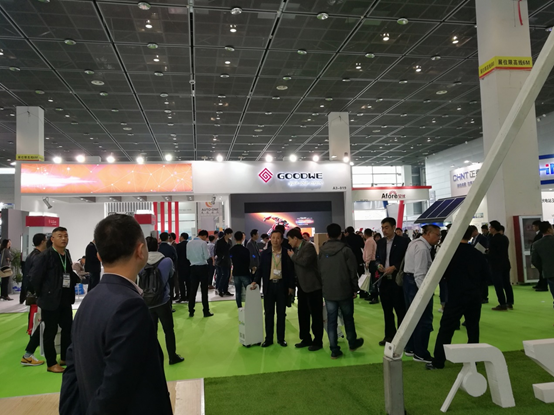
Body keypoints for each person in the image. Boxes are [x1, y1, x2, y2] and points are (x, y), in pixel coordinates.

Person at [59, 214, 172, 415]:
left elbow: (71, 373)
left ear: (99, 256)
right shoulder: (130, 307)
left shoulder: (89, 300)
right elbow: (114, 391)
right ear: (140, 250)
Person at [426, 226, 490, 370]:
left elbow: (440, 275)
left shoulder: (449, 254)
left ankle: (438, 361)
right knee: (473, 329)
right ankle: (473, 360)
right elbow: (486, 276)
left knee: (446, 329)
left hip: (456, 296)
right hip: (474, 296)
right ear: (470, 235)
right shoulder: (477, 254)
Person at [30, 227, 80, 373]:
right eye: (60, 236)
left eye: (66, 236)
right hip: (50, 300)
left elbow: (67, 272)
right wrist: (44, 293)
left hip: (65, 298)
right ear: (52, 239)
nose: (64, 238)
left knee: (67, 329)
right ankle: (51, 363)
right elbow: (35, 278)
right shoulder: (45, 255)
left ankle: (65, 357)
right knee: (50, 332)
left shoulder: (66, 254)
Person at [318, 223, 364, 359]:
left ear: (327, 235)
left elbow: (319, 270)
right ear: (341, 234)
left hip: (329, 291)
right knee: (348, 318)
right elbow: (352, 271)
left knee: (331, 320)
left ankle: (334, 349)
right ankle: (352, 342)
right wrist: (355, 288)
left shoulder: (322, 251)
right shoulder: (346, 250)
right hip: (345, 290)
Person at [403, 224, 441, 363]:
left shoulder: (414, 243)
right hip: (416, 284)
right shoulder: (423, 249)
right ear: (428, 233)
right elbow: (419, 274)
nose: (439, 238)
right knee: (424, 319)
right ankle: (420, 353)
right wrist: (424, 293)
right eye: (437, 235)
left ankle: (410, 347)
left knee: (412, 317)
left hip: (408, 282)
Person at [143, 236, 184, 365]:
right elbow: (171, 275)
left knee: (151, 332)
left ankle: (154, 358)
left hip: (146, 301)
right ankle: (172, 356)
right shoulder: (166, 261)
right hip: (163, 300)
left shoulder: (140, 262)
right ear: (158, 246)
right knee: (168, 330)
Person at [251, 229, 294, 347]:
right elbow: (260, 269)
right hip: (269, 286)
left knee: (281, 313)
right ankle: (268, 338)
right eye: (273, 237)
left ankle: (281, 338)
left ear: (282, 240)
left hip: (282, 286)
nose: (275, 240)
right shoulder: (265, 253)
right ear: (270, 239)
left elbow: (291, 271)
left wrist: (291, 286)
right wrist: (255, 281)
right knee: (269, 313)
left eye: (278, 238)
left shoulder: (286, 253)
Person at [287, 228, 323, 351]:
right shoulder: (297, 249)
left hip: (313, 287)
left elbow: (304, 262)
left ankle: (317, 341)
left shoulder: (309, 246)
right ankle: (305, 338)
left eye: (289, 239)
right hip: (302, 287)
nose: (289, 242)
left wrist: (292, 256)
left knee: (316, 315)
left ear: (295, 238)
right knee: (302, 314)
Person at [375, 217, 410, 346]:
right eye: (382, 228)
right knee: (387, 311)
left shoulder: (403, 242)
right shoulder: (380, 242)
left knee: (400, 310)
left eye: (387, 227)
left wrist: (394, 267)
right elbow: (377, 258)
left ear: (394, 227)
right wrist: (378, 265)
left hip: (397, 280)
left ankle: (402, 337)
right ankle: (389, 336)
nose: (384, 230)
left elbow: (406, 259)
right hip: (384, 280)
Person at [19, 233, 47, 367]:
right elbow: (33, 277)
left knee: (37, 321)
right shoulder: (37, 257)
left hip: (33, 295)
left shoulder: (32, 255)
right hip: (37, 297)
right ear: (42, 241)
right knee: (37, 322)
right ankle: (28, 354)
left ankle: (29, 354)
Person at [186, 230, 213, 317]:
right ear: (204, 236)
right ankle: (206, 311)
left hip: (192, 267)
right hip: (203, 267)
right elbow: (206, 256)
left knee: (193, 290)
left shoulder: (189, 243)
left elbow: (188, 256)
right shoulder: (203, 243)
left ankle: (191, 310)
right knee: (204, 291)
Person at [488, 220, 513, 311]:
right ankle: (510, 302)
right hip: (505, 263)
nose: (489, 229)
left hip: (496, 265)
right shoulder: (504, 238)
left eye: (490, 227)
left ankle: (502, 303)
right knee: (507, 284)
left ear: (494, 229)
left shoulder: (493, 239)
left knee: (498, 285)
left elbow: (492, 254)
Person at [531, 221, 554, 308]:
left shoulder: (536, 244)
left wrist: (543, 267)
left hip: (549, 272)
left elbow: (534, 260)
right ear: (549, 229)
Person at [230, 231, 252, 308]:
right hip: (245, 272)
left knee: (238, 291)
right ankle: (249, 305)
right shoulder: (245, 250)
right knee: (248, 290)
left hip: (236, 272)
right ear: (243, 238)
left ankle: (239, 307)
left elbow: (231, 260)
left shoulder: (232, 250)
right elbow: (248, 261)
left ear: (234, 238)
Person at [215, 228, 233, 297]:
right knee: (224, 274)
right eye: (230, 234)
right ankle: (220, 289)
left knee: (228, 275)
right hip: (222, 261)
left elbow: (230, 250)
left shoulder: (230, 241)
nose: (231, 235)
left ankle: (225, 290)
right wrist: (222, 257)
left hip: (228, 260)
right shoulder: (219, 241)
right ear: (226, 234)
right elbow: (217, 251)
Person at [531, 220, 548, 292]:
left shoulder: (540, 235)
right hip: (539, 256)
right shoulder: (539, 234)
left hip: (540, 256)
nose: (533, 228)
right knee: (541, 271)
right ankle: (540, 284)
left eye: (534, 226)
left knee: (542, 271)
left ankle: (543, 286)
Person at [363, 228, 378, 304]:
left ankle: (374, 296)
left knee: (373, 280)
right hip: (372, 262)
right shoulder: (371, 240)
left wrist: (367, 263)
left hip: (371, 262)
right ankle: (372, 295)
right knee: (372, 280)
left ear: (365, 234)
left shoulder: (369, 241)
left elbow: (369, 253)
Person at [175, 233, 190, 303]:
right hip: (189, 265)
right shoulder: (189, 245)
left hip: (180, 266)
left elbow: (176, 256)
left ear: (182, 237)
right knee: (188, 282)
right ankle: (189, 296)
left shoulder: (178, 246)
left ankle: (182, 296)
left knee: (181, 282)